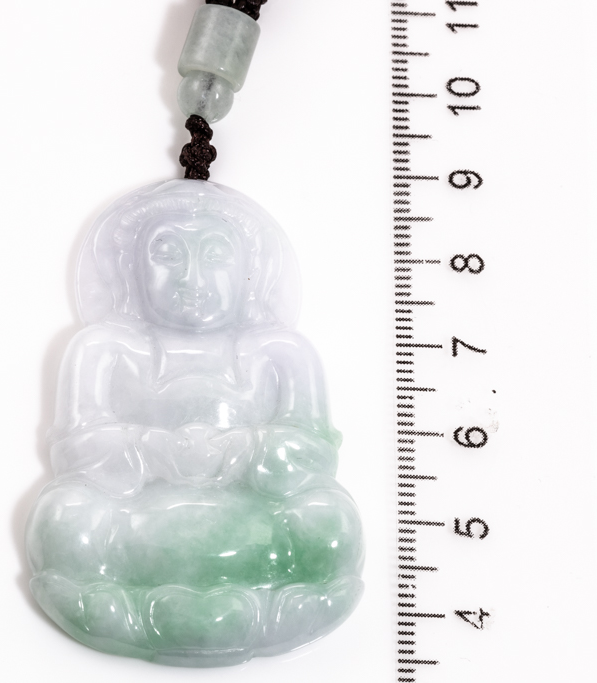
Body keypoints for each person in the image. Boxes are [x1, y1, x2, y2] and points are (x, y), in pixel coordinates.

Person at [25, 180, 363, 666]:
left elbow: (314, 454)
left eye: (216, 255)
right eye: (166, 254)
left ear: (253, 272)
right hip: (137, 527)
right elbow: (75, 452)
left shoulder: (281, 352)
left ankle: (128, 607)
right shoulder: (103, 347)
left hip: (254, 526)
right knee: (65, 513)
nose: (192, 278)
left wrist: (243, 450)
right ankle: (268, 609)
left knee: (329, 518)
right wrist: (151, 449)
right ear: (129, 271)